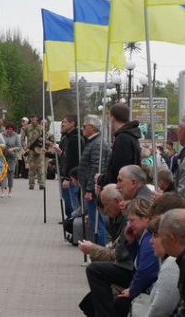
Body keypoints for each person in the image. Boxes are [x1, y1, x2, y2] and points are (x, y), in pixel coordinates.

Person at [78, 185, 139, 317]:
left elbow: (118, 255)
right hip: (130, 266)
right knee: (89, 303)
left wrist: (93, 250)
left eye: (105, 205)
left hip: (132, 268)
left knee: (95, 270)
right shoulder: (118, 218)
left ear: (118, 201)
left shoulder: (127, 217)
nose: (104, 210)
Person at [79, 114, 110, 244]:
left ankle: (99, 253)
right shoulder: (93, 142)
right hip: (89, 187)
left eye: (84, 126)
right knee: (93, 222)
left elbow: (96, 167)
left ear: (92, 127)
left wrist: (90, 189)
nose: (82, 128)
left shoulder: (97, 144)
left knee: (97, 223)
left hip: (94, 190)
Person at [98, 103, 141, 191]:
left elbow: (118, 168)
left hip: (119, 190)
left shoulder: (123, 138)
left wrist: (101, 179)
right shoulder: (131, 136)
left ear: (112, 118)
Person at [55, 114, 84, 219]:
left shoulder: (75, 138)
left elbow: (73, 159)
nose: (63, 124)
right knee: (67, 197)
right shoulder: (66, 137)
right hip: (66, 172)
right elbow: (65, 156)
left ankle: (74, 221)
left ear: (72, 124)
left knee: (73, 200)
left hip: (72, 175)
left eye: (65, 122)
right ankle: (70, 219)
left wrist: (68, 177)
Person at [20, 115, 45, 190]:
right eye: (32, 120)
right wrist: (25, 147)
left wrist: (43, 145)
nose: (33, 121)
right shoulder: (27, 128)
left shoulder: (41, 128)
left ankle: (41, 183)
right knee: (32, 167)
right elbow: (22, 139)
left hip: (39, 149)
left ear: (37, 119)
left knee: (40, 167)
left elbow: (45, 138)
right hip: (30, 149)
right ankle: (31, 184)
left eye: (35, 119)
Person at [0, 123, 21, 198]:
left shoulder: (16, 136)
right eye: (8, 129)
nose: (9, 130)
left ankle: (10, 190)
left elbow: (19, 147)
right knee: (3, 173)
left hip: (12, 157)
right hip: (3, 156)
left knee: (11, 174)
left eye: (11, 129)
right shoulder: (2, 135)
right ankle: (2, 191)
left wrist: (13, 149)